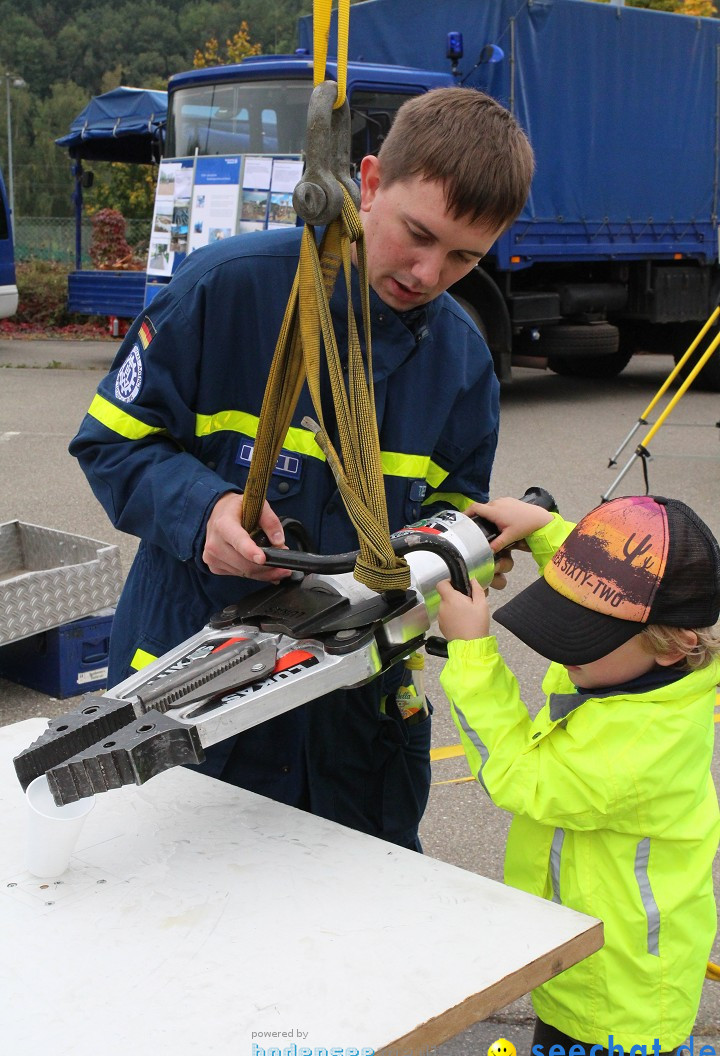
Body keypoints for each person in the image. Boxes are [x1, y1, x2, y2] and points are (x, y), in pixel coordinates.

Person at [69, 86, 533, 854]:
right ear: (371, 182)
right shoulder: (228, 290)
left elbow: (451, 509)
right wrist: (204, 511)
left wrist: (464, 547)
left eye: (464, 257)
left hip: (353, 731)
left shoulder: (461, 360)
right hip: (195, 703)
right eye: (417, 234)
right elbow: (112, 443)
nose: (426, 271)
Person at [436, 494, 720, 1056]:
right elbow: (616, 583)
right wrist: (546, 531)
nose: (565, 652)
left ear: (676, 644)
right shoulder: (641, 674)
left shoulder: (639, 747)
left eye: (585, 640)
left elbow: (515, 776)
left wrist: (470, 655)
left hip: (619, 1007)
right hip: (579, 963)